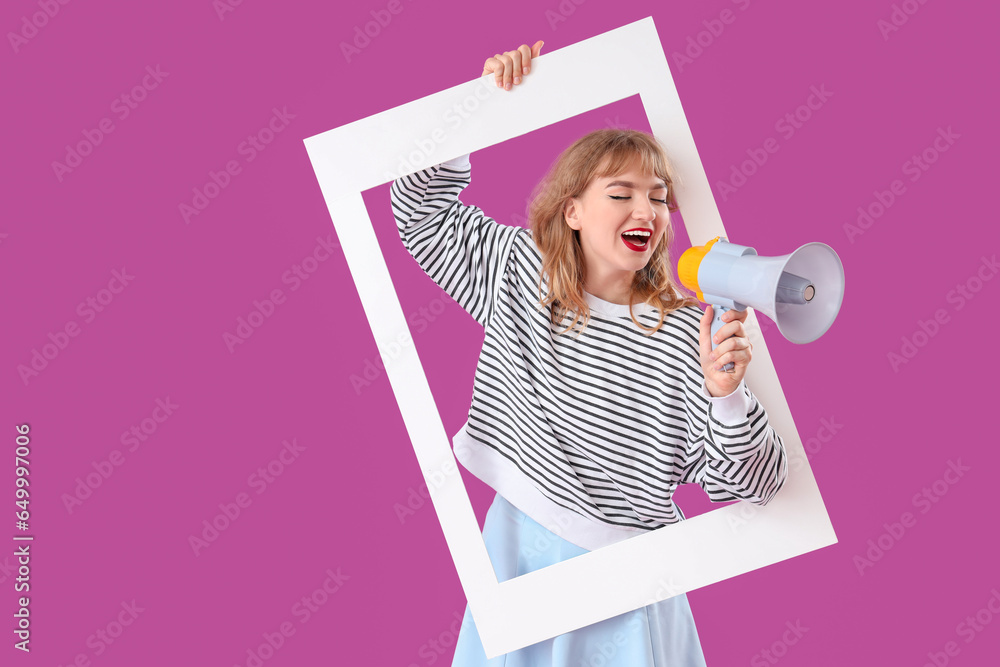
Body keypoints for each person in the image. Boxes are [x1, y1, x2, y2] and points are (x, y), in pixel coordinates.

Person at [389, 41, 788, 667]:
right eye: (621, 192)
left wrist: (727, 396)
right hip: (518, 547)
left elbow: (754, 484)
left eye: (658, 197)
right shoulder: (520, 270)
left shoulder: (690, 331)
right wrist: (478, 106)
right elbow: (418, 214)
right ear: (571, 210)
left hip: (633, 579)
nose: (646, 210)